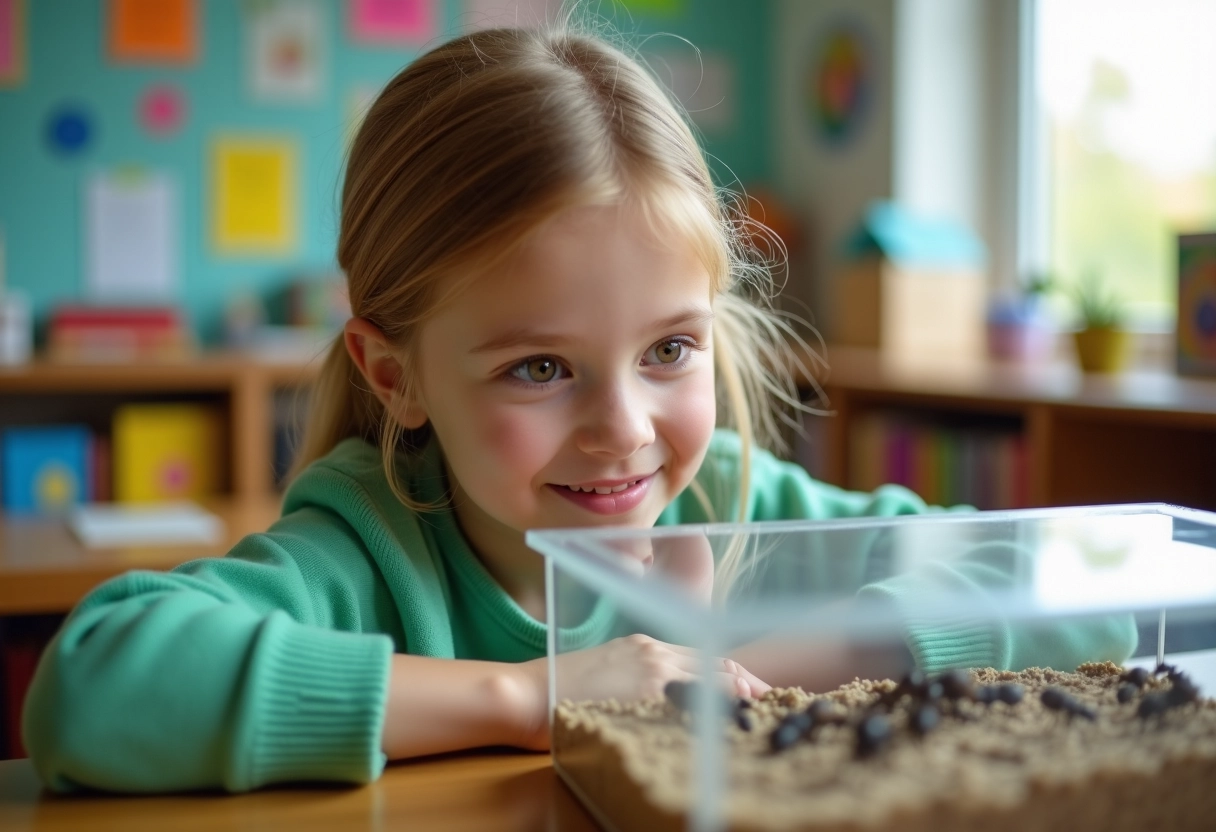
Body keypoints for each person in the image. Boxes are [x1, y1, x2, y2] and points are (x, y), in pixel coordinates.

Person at [22, 22, 1136, 794]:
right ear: (392, 372)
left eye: (668, 350)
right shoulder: (366, 545)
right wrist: (533, 694)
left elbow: (1071, 586)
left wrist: (786, 648)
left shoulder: (739, 501)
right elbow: (97, 683)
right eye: (539, 369)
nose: (625, 429)